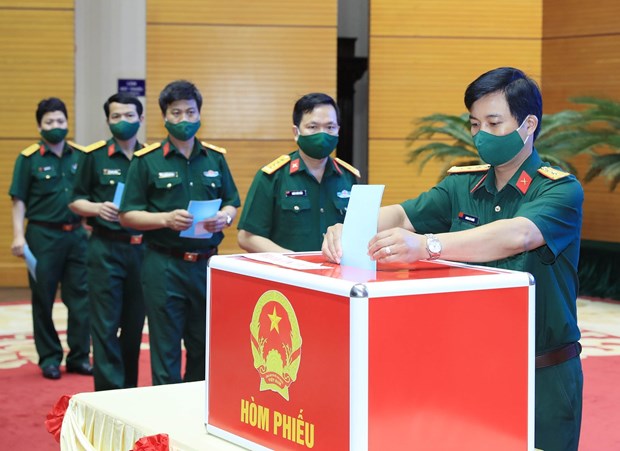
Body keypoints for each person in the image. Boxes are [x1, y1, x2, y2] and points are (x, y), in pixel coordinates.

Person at [322, 67, 583, 451]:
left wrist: (428, 246)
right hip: (470, 365)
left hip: (540, 370)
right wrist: (350, 226)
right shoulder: (462, 183)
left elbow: (519, 234)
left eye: (494, 123)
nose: (480, 135)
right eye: (475, 124)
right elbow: (401, 214)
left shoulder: (560, 189)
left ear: (528, 125)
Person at [119, 80, 240, 385]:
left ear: (199, 114)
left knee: (203, 344)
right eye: (176, 113)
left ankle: (196, 409)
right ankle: (165, 419)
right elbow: (127, 215)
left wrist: (224, 218)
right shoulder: (147, 160)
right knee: (166, 347)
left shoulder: (215, 158)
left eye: (190, 112)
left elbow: (232, 202)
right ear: (165, 117)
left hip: (206, 264)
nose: (184, 119)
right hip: (164, 265)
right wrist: (165, 219)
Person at [9, 97, 92, 380]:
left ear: (67, 123)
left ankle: (80, 356)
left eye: (60, 121)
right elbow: (18, 200)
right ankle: (49, 358)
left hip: (77, 236)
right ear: (39, 126)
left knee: (81, 298)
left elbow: (90, 195)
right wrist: (19, 235)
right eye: (49, 122)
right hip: (42, 236)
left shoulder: (81, 155)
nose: (56, 126)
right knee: (43, 298)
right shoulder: (29, 158)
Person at [69, 93, 146, 391]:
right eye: (116, 116)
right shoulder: (93, 156)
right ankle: (108, 395)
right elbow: (75, 200)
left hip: (141, 249)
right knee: (104, 325)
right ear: (108, 121)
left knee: (133, 326)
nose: (123, 121)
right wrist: (97, 208)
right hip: (105, 248)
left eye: (129, 116)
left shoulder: (149, 158)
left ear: (140, 119)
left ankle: (127, 392)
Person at [237, 92, 359, 252]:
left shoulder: (348, 176)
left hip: (337, 274)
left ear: (338, 130)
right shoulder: (272, 177)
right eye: (313, 127)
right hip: (287, 275)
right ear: (296, 132)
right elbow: (247, 237)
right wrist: (293, 262)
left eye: (330, 127)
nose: (322, 134)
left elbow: (358, 231)